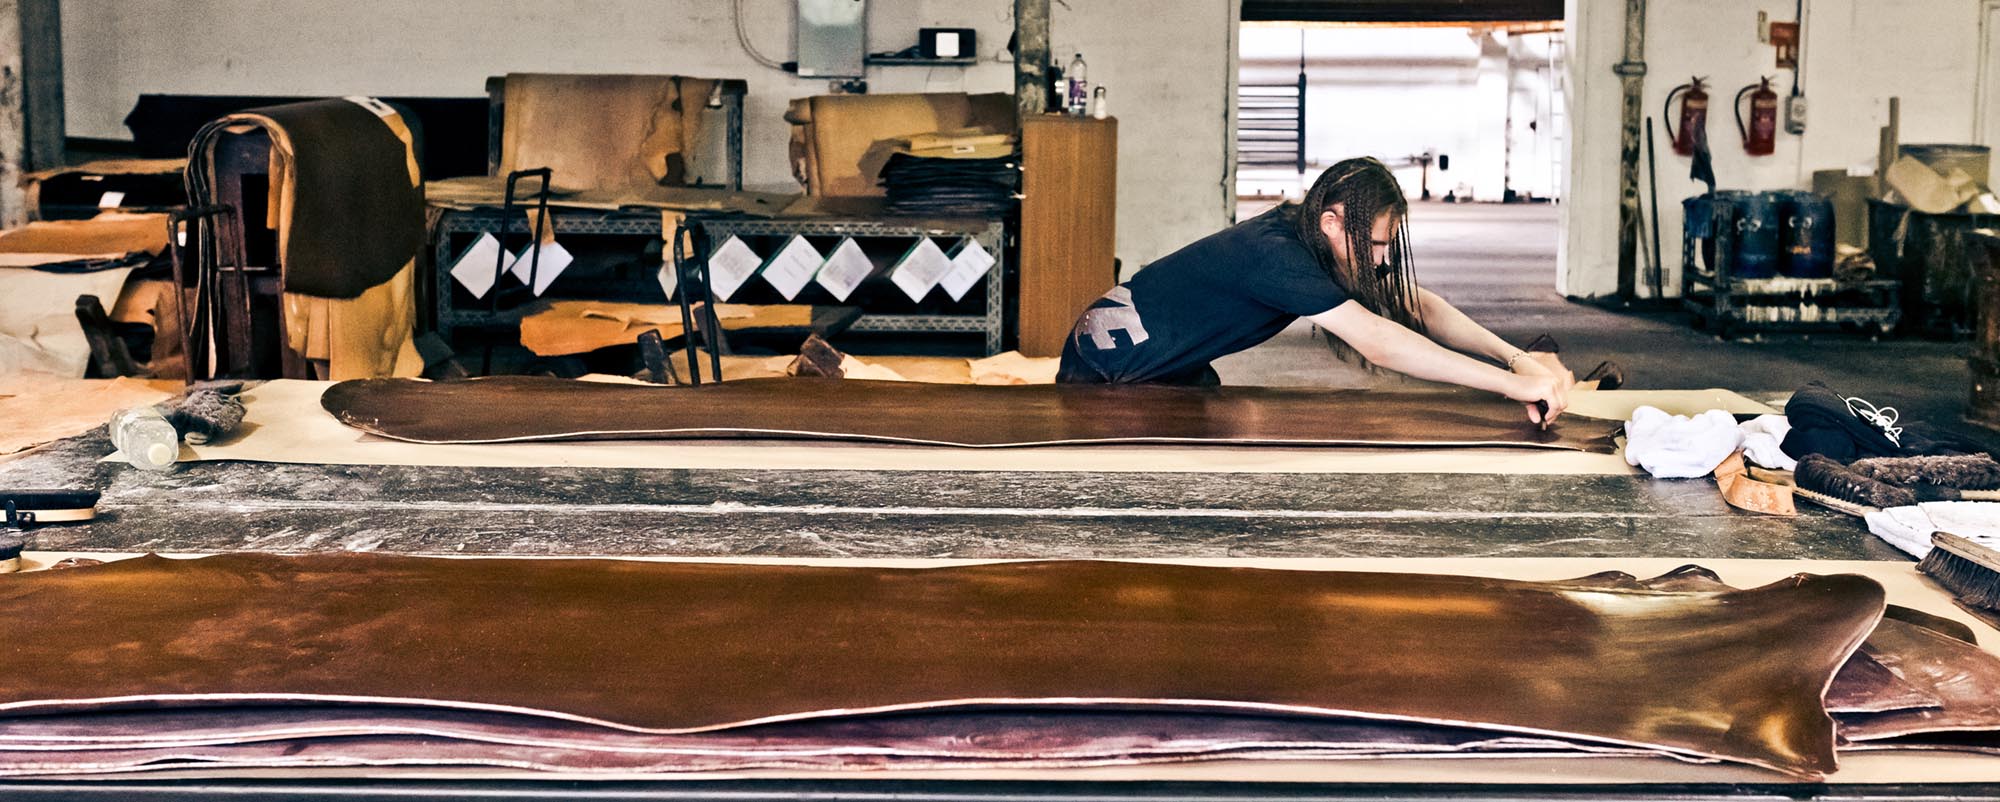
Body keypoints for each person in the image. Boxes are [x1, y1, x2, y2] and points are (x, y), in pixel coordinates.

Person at [1056, 157, 1573, 426]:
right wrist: (1511, 388)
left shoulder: (1312, 233)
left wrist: (1516, 359)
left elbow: (1418, 305)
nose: (1378, 260)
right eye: (1372, 244)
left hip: (1162, 362)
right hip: (1107, 371)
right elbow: (1380, 341)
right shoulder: (1277, 257)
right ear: (1331, 221)